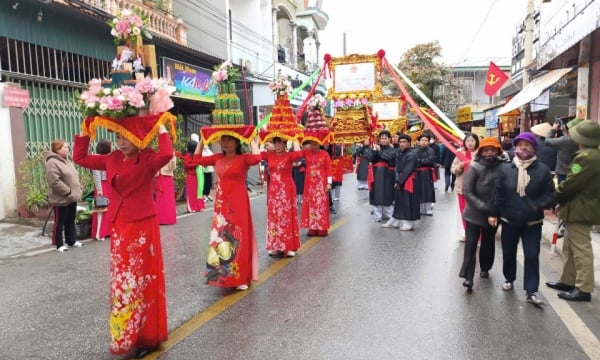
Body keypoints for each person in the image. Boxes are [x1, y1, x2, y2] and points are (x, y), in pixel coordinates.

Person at [73, 125, 173, 358]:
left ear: (140, 137)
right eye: (118, 137)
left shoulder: (147, 158)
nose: (121, 142)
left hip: (141, 226)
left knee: (141, 279)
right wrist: (86, 128)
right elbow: (80, 157)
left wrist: (160, 128)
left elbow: (167, 154)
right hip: (119, 226)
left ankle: (147, 335)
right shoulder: (113, 158)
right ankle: (126, 333)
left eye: (127, 137)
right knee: (123, 281)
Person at [491, 132, 555, 306]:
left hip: (532, 222)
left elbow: (551, 195)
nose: (523, 148)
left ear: (534, 148)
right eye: (520, 145)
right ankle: (509, 279)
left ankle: (531, 290)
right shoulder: (505, 168)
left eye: (527, 145)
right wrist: (494, 213)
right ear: (515, 148)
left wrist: (536, 205)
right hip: (509, 220)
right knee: (509, 253)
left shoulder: (542, 170)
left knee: (532, 255)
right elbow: (498, 193)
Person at [191, 135, 261, 291]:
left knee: (238, 237)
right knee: (221, 239)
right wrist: (203, 140)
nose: (225, 143)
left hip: (238, 203)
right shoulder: (217, 158)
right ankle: (222, 276)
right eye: (223, 140)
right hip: (221, 204)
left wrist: (250, 139)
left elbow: (257, 158)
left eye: (229, 140)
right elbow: (196, 159)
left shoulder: (243, 159)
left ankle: (240, 276)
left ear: (236, 142)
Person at [546, 120, 600, 302]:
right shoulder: (592, 155)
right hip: (578, 206)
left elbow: (571, 183)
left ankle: (583, 288)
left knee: (581, 249)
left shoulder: (586, 157)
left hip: (580, 208)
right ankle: (568, 281)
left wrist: (556, 196)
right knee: (569, 246)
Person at [458, 137, 505, 290]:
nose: (489, 153)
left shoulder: (503, 167)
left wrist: (496, 211)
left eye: (492, 150)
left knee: (488, 243)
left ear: (498, 151)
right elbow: (468, 192)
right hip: (474, 213)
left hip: (494, 213)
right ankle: (468, 276)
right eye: (486, 150)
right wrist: (485, 208)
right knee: (471, 244)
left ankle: (485, 268)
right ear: (481, 152)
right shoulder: (474, 166)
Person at [262, 137, 302, 257]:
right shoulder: (269, 155)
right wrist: (258, 140)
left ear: (285, 143)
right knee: (274, 217)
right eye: (276, 143)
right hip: (274, 189)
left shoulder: (289, 155)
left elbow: (299, 154)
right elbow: (255, 156)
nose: (278, 146)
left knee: (286, 216)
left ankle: (289, 246)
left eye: (280, 143)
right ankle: (275, 245)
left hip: (286, 189)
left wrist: (294, 137)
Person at [44, 139, 84, 252]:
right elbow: (54, 181)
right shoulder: (52, 162)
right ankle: (59, 244)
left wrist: (78, 189)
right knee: (60, 222)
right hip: (62, 198)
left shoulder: (66, 161)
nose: (67, 149)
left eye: (67, 147)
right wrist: (68, 192)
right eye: (65, 147)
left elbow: (73, 177)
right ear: (57, 150)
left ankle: (71, 241)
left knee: (70, 220)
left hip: (72, 197)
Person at [382, 133, 420, 230]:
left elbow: (408, 169)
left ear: (409, 143)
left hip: (409, 180)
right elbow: (397, 168)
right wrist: (397, 179)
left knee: (408, 201)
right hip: (400, 179)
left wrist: (399, 181)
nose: (402, 144)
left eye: (404, 142)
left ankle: (409, 223)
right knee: (399, 201)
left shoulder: (412, 154)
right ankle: (395, 220)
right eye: (400, 142)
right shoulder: (399, 153)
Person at [450, 133, 479, 241]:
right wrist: (461, 166)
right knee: (463, 211)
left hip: (477, 188)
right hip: (462, 187)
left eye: (472, 141)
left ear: (476, 141)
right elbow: (453, 169)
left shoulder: (480, 153)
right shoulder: (460, 153)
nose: (470, 143)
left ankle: (476, 235)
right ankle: (465, 232)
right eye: (468, 141)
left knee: (476, 212)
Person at [301, 139, 333, 236]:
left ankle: (322, 228)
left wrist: (329, 183)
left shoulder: (325, 154)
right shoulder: (306, 153)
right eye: (312, 144)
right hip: (309, 184)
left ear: (320, 144)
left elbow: (329, 169)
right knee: (311, 205)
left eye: (315, 144)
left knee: (321, 206)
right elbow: (296, 154)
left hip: (321, 184)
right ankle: (312, 227)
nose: (313, 146)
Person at [365, 130, 396, 222]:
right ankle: (377, 216)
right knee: (375, 193)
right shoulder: (374, 148)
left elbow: (387, 158)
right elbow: (369, 158)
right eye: (382, 138)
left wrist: (378, 152)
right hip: (375, 173)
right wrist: (374, 151)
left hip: (387, 174)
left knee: (387, 193)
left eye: (385, 138)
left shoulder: (392, 149)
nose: (383, 140)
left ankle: (389, 215)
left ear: (389, 139)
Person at [545, 119, 580, 184]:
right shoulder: (584, 141)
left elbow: (547, 141)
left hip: (563, 173)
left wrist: (553, 129)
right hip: (578, 172)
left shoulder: (564, 140)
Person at [91, 139, 112, 241]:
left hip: (109, 184)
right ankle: (99, 233)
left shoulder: (110, 157)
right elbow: (96, 174)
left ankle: (107, 231)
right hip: (102, 185)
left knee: (109, 209)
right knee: (101, 209)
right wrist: (99, 189)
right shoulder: (96, 158)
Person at [178, 140, 205, 213]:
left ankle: (199, 206)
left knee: (198, 192)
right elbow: (187, 165)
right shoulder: (188, 156)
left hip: (197, 175)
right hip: (191, 176)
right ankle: (192, 207)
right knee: (191, 193)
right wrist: (196, 163)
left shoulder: (197, 155)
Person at [415, 134, 437, 216]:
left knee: (428, 191)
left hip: (427, 173)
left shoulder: (431, 150)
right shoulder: (415, 151)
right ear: (419, 141)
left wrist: (420, 161)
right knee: (418, 190)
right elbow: (414, 161)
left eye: (426, 140)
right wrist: (421, 161)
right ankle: (420, 209)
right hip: (417, 173)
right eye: (422, 140)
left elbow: (430, 160)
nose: (424, 142)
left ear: (428, 142)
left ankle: (428, 209)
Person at [155, 154, 177, 225]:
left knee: (168, 198)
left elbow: (173, 167)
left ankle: (169, 218)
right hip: (158, 177)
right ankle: (161, 219)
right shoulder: (156, 152)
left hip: (167, 176)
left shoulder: (171, 153)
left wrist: (172, 158)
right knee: (160, 198)